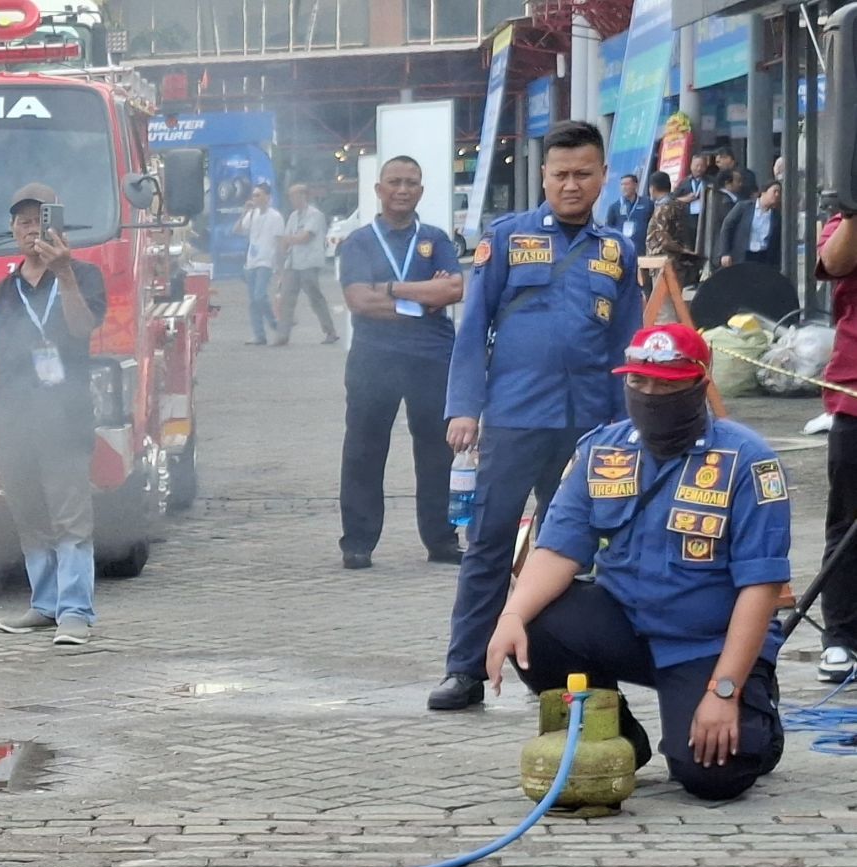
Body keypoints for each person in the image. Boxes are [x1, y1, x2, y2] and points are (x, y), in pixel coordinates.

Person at [484, 323, 788, 801]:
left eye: (666, 385)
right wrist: (510, 616)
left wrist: (725, 691)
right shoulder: (602, 450)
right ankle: (618, 737)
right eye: (638, 382)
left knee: (714, 779)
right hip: (627, 623)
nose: (649, 394)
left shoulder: (747, 460)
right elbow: (560, 549)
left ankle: (758, 718)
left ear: (699, 385)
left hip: (707, 641)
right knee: (535, 623)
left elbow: (761, 587)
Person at [430, 120, 643, 712]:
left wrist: (630, 429)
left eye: (583, 174)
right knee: (489, 544)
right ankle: (465, 669)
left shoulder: (616, 252)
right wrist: (463, 408)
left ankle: (554, 668)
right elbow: (472, 330)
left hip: (589, 429)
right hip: (514, 417)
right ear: (543, 177)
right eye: (560, 175)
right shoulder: (505, 238)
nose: (571, 185)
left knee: (570, 550)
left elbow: (628, 345)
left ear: (602, 177)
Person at [0, 183, 108, 646]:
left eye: (40, 220)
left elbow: (82, 329)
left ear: (57, 226)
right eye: (22, 221)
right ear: (13, 231)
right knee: (29, 515)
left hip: (65, 416)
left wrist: (66, 275)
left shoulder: (84, 275)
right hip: (15, 420)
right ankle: (44, 604)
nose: (30, 228)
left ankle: (76, 610)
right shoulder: (5, 289)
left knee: (70, 516)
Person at [335, 156, 465, 569]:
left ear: (421, 191)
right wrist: (421, 299)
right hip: (375, 359)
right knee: (363, 451)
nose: (403, 189)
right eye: (395, 182)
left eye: (411, 182)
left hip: (432, 358)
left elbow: (452, 291)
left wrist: (390, 288)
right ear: (379, 189)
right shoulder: (358, 242)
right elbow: (359, 300)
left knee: (436, 451)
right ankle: (358, 542)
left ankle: (442, 541)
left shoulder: (437, 238)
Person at [809, 211, 857, 682]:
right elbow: (835, 261)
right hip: (854, 397)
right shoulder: (843, 222)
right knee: (845, 526)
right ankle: (841, 638)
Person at [273, 181, 338, 346]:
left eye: (294, 196)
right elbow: (286, 240)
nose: (292, 199)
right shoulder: (293, 216)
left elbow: (305, 237)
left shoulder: (315, 215)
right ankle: (283, 335)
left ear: (304, 196)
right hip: (293, 263)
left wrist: (286, 240)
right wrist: (280, 257)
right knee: (287, 299)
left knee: (315, 298)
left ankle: (330, 331)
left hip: (309, 262)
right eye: (290, 196)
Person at [235, 183, 286, 345]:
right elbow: (237, 230)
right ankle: (259, 334)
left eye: (258, 195)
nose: (255, 198)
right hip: (251, 261)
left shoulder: (275, 217)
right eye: (254, 195)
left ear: (267, 197)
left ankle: (274, 323)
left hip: (266, 260)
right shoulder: (252, 215)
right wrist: (244, 212)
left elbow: (279, 242)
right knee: (253, 301)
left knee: (259, 295)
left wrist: (280, 266)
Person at [649, 171, 701, 285]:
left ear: (652, 188)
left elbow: (663, 240)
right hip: (679, 264)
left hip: (663, 263)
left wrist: (680, 250)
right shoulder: (679, 205)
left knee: (664, 301)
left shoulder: (662, 209)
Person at [717, 176, 778, 270]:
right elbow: (727, 226)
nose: (777, 195)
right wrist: (725, 252)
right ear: (764, 192)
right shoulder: (743, 207)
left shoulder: (776, 215)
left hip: (763, 256)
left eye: (779, 192)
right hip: (743, 255)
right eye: (774, 191)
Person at [608, 173, 652, 253]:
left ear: (635, 185)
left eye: (627, 184)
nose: (624, 187)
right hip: (621, 251)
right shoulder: (614, 207)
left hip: (641, 250)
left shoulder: (647, 204)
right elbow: (608, 230)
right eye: (622, 184)